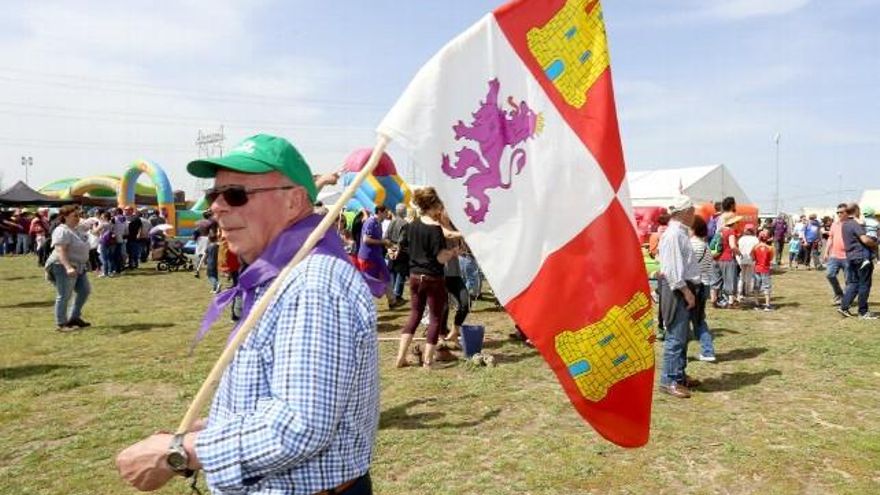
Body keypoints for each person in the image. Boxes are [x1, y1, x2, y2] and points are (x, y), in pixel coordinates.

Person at [117, 134, 379, 494]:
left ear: (294, 201)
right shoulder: (282, 274)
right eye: (215, 195)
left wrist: (177, 453)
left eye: (236, 195)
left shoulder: (312, 283)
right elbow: (273, 399)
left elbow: (298, 426)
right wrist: (211, 428)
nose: (218, 208)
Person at [395, 187, 459, 369]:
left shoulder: (411, 225)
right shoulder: (435, 228)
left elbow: (407, 247)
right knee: (435, 319)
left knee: (414, 316)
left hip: (414, 277)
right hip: (432, 278)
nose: (441, 208)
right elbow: (439, 257)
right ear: (433, 205)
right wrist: (453, 252)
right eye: (440, 204)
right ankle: (428, 361)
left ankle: (401, 357)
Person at [657, 195, 702, 398]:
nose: (694, 215)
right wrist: (686, 291)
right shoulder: (675, 234)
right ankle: (670, 379)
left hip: (683, 286)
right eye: (692, 211)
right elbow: (673, 270)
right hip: (677, 288)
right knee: (676, 334)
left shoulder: (679, 233)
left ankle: (678, 374)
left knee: (682, 335)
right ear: (685, 212)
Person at [45, 205, 92, 331]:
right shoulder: (62, 231)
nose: (78, 218)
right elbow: (61, 250)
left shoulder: (75, 230)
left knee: (84, 290)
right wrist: (68, 267)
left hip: (79, 266)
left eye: (79, 215)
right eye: (75, 216)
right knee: (64, 294)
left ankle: (74, 317)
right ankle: (61, 324)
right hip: (62, 265)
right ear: (64, 217)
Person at [838, 203, 878, 319]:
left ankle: (844, 307)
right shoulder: (855, 224)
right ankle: (863, 312)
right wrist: (876, 244)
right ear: (856, 210)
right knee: (864, 284)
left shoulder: (845, 224)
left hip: (851, 257)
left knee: (854, 283)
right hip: (861, 257)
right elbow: (865, 240)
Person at [688, 215, 716, 362]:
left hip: (693, 286)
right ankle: (707, 351)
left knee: (684, 321)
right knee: (699, 319)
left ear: (692, 229)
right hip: (705, 284)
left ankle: (682, 354)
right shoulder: (705, 246)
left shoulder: (690, 244)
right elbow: (710, 269)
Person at [384, 203, 410, 306]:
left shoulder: (392, 222)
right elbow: (402, 240)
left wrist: (389, 248)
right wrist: (397, 248)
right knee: (401, 273)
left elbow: (386, 236)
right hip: (401, 251)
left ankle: (393, 296)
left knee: (393, 272)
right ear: (404, 212)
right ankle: (397, 296)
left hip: (391, 248)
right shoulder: (405, 224)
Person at [823, 203, 849, 304]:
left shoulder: (851, 224)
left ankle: (846, 299)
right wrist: (826, 252)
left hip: (848, 256)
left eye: (841, 212)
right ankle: (839, 294)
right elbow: (830, 238)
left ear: (847, 213)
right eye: (837, 212)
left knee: (849, 280)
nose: (839, 214)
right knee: (830, 274)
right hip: (834, 255)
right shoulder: (834, 224)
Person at [716, 213, 741, 308]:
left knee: (720, 280)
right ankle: (731, 302)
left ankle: (718, 299)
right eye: (737, 222)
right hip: (728, 258)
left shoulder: (720, 231)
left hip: (718, 258)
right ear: (733, 223)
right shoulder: (731, 231)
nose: (737, 223)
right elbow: (733, 246)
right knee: (730, 280)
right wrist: (739, 253)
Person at [736, 224, 760, 305]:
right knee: (750, 277)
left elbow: (738, 248)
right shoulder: (755, 239)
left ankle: (740, 294)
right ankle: (747, 292)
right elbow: (757, 249)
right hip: (751, 260)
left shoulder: (741, 239)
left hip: (742, 259)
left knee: (741, 277)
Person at [753, 231, 775, 311]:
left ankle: (756, 304)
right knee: (767, 286)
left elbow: (752, 257)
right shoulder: (770, 248)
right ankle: (767, 305)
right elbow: (771, 258)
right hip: (765, 268)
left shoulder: (755, 247)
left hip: (757, 268)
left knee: (756, 286)